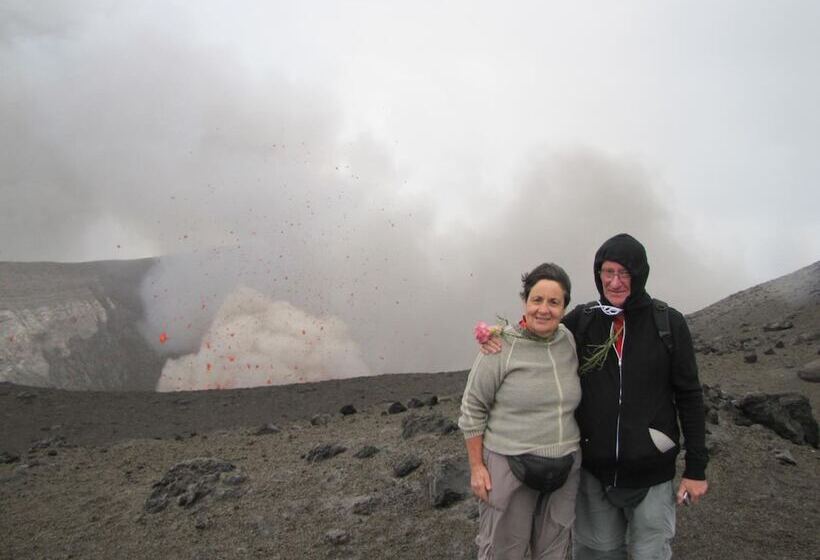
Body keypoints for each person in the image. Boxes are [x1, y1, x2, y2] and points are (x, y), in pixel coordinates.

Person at [478, 234, 708, 560]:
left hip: (652, 472)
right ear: (598, 274)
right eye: (607, 272)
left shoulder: (667, 323)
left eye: (624, 273)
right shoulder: (583, 321)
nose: (614, 282)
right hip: (594, 474)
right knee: (597, 552)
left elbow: (690, 396)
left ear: (640, 274)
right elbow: (541, 331)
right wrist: (498, 335)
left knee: (651, 553)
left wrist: (696, 469)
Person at [459, 262, 582, 559]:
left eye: (554, 302)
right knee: (503, 551)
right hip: (509, 466)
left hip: (565, 467)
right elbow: (472, 409)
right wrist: (477, 467)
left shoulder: (568, 340)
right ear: (525, 301)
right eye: (536, 299)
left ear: (564, 308)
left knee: (555, 551)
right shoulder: (500, 346)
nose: (544, 309)